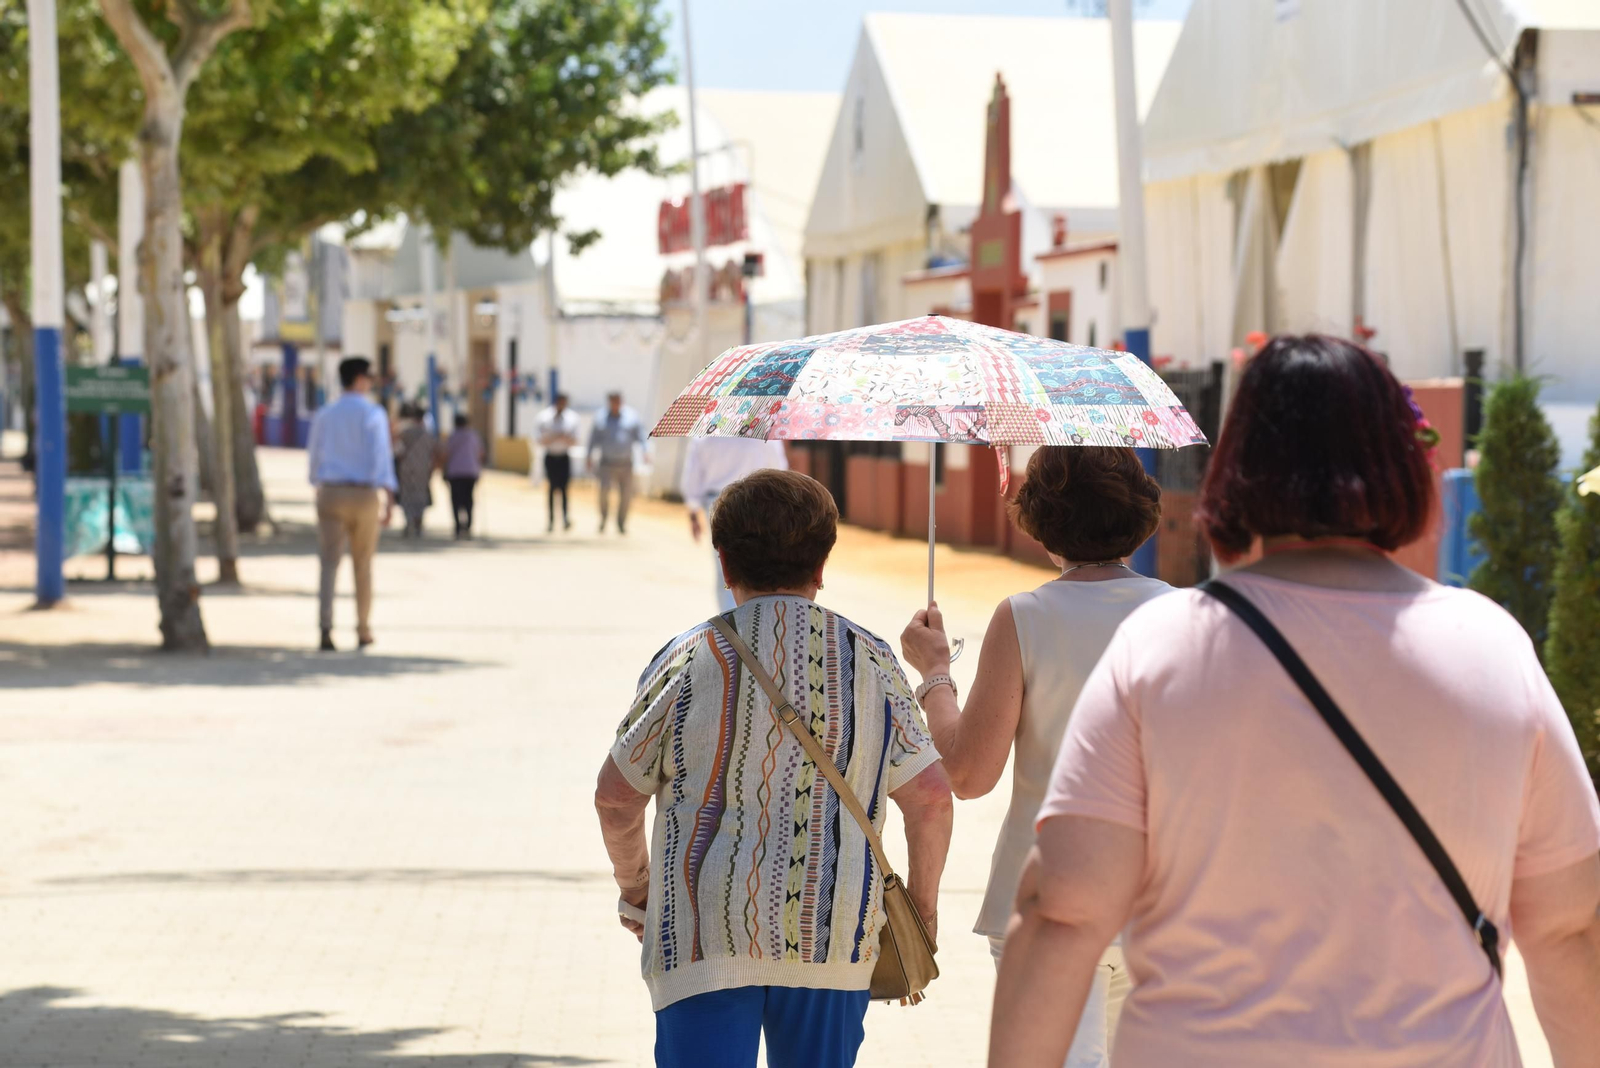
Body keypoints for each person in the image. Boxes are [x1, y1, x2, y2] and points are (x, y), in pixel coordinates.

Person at [990, 335, 1600, 1068]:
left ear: (1237, 473)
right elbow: (1568, 932)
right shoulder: (1492, 648)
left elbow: (1062, 909)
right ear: (1406, 467)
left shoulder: (1161, 648)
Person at [594, 469, 954, 1068]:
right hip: (833, 934)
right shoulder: (871, 658)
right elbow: (932, 797)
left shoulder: (688, 658)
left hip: (702, 936)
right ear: (821, 566)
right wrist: (921, 910)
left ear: (725, 564)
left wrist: (637, 890)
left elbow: (615, 797)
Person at [899, 446, 1168, 1068]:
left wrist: (936, 674)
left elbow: (967, 775)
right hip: (1158, 891)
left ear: (1043, 523)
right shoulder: (1186, 614)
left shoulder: (1026, 616)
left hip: (1048, 887)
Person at [306, 356, 395, 652]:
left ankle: (325, 627)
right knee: (363, 564)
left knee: (329, 564)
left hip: (330, 491)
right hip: (363, 494)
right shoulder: (372, 413)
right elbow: (381, 456)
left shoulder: (325, 414)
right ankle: (363, 628)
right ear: (359, 379)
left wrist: (316, 484)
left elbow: (314, 454)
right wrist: (389, 496)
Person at [680, 435, 790, 610]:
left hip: (718, 503)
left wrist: (693, 512)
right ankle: (759, 618)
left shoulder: (704, 435)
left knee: (726, 568)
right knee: (762, 564)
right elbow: (780, 470)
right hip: (759, 502)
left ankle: (731, 624)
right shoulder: (765, 434)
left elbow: (692, 475)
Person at [588, 390, 646, 534]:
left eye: (618, 401)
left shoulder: (632, 417)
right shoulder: (601, 418)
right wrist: (588, 455)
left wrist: (646, 451)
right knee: (603, 492)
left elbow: (641, 436)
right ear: (609, 402)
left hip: (625, 464)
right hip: (606, 463)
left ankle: (621, 522)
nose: (616, 404)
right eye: (613, 401)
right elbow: (593, 438)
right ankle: (603, 517)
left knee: (626, 495)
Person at [393, 403, 439, 539]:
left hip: (406, 468)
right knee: (420, 495)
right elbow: (435, 452)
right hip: (423, 469)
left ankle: (408, 522)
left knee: (407, 495)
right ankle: (418, 523)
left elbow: (397, 449)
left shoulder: (404, 432)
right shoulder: (428, 434)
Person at [535, 392, 580, 533]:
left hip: (564, 457)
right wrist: (557, 437)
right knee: (551, 488)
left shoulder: (572, 418)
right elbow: (539, 439)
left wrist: (560, 438)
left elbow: (575, 440)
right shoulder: (544, 417)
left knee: (564, 489)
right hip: (550, 456)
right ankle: (551, 521)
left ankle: (565, 518)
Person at [443, 413, 485, 540]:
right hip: (470, 472)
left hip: (455, 473)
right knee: (469, 500)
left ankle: (457, 526)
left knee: (456, 500)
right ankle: (468, 525)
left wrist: (443, 470)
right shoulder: (474, 436)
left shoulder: (452, 436)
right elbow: (481, 453)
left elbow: (446, 453)